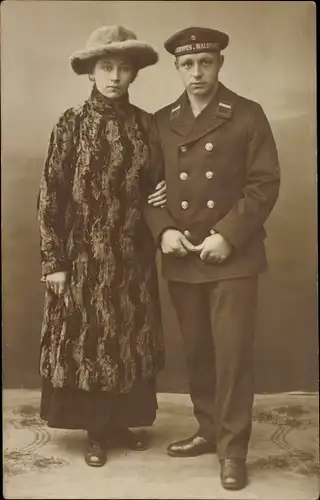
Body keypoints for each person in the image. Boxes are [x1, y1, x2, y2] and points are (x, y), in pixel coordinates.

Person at [144, 27, 280, 490]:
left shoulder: (246, 115)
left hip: (232, 257)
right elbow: (145, 188)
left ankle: (233, 450)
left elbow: (264, 183)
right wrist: (162, 230)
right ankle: (207, 429)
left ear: (220, 63)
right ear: (177, 69)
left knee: (233, 354)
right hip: (183, 255)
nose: (197, 72)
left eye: (205, 62)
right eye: (188, 64)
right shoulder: (161, 120)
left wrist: (228, 234)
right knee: (198, 350)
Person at [37, 24, 167, 468]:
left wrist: (162, 194)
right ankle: (95, 432)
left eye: (124, 69)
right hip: (81, 258)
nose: (114, 77)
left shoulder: (147, 125)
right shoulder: (70, 124)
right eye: (106, 67)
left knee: (128, 339)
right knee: (88, 342)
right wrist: (54, 261)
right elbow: (51, 193)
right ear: (91, 73)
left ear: (134, 76)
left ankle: (120, 422)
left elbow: (157, 186)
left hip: (133, 257)